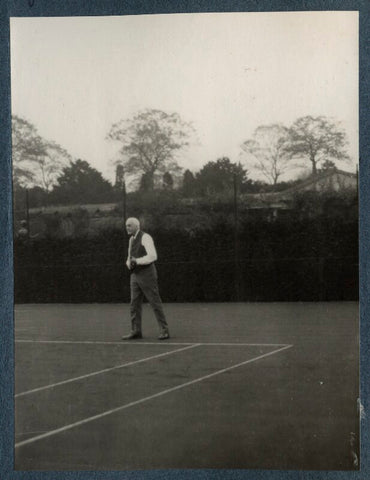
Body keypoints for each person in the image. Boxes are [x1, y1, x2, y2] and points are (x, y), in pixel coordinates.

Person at [122, 217, 170, 340]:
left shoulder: (145, 237)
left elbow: (153, 256)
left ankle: (164, 330)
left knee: (154, 302)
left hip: (147, 273)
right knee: (134, 304)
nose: (127, 227)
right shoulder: (131, 240)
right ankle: (136, 331)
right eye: (126, 225)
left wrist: (137, 261)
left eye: (129, 225)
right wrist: (129, 263)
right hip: (135, 275)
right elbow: (129, 257)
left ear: (137, 226)